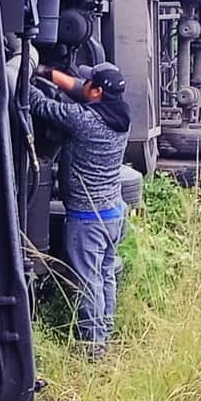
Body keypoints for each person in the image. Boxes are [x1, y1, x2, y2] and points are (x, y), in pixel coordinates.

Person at [31, 62, 131, 360]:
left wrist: (24, 70)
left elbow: (39, 104)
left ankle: (93, 346)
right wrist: (46, 72)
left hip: (88, 218)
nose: (81, 83)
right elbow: (77, 88)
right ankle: (105, 333)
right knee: (105, 275)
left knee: (88, 281)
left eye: (89, 83)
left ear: (97, 91)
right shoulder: (120, 113)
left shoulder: (83, 121)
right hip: (114, 212)